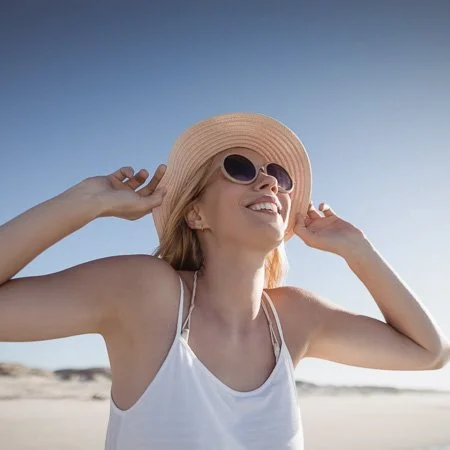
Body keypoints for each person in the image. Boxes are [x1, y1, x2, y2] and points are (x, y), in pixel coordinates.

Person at [0, 112, 448, 450]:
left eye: (279, 176)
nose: (269, 184)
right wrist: (85, 202)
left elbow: (430, 354)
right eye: (239, 168)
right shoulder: (147, 293)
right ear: (195, 213)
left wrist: (359, 250)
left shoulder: (294, 318)